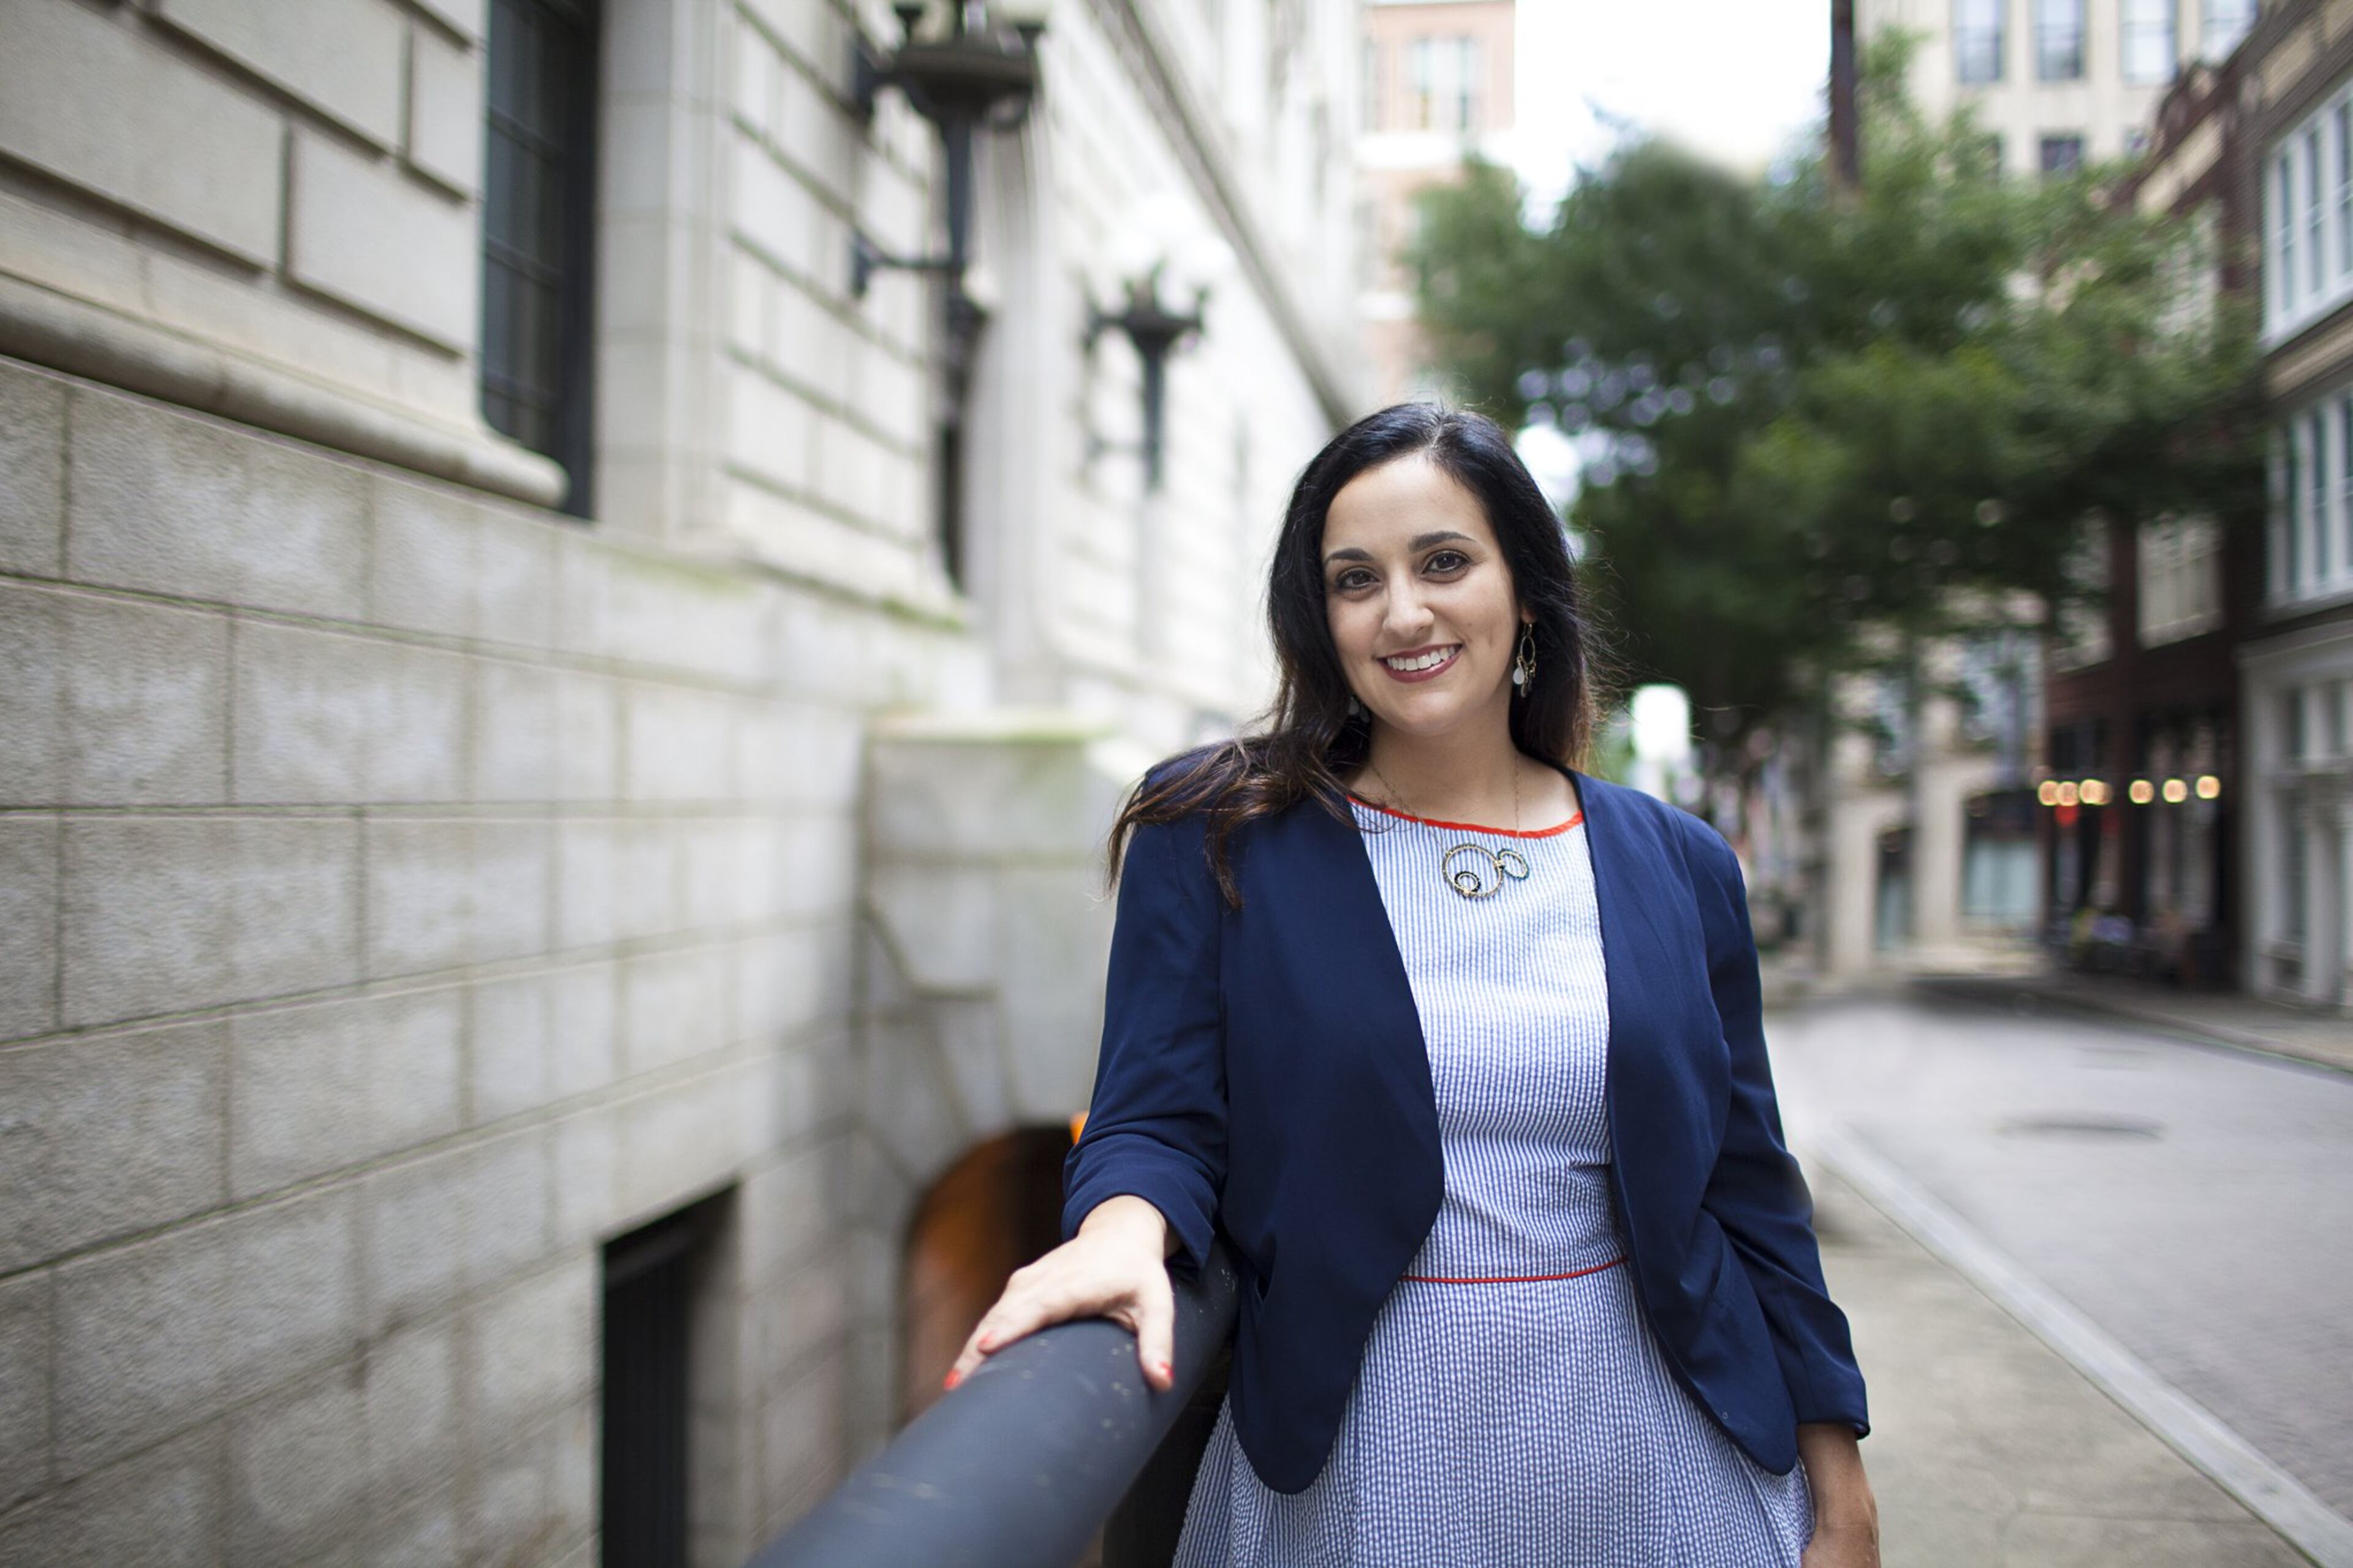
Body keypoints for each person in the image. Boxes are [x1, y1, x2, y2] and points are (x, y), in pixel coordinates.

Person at [945, 405, 1879, 1566]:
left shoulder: (1678, 864)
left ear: (1526, 591)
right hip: (1365, 1452)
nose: (1402, 613)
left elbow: (1750, 1187)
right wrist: (1122, 1238)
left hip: (1660, 1449)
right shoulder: (1218, 834)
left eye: (1444, 562)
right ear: (1319, 616)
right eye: (1356, 579)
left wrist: (1839, 1479)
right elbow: (1156, 1115)